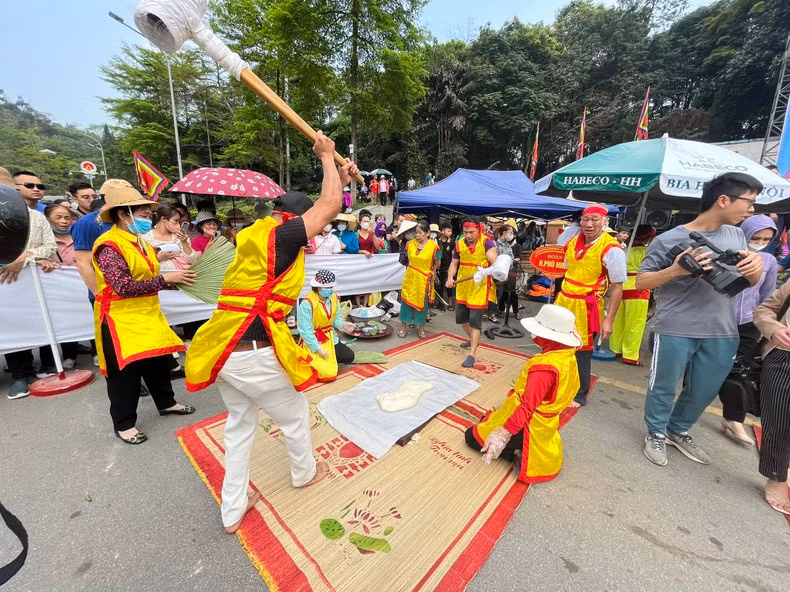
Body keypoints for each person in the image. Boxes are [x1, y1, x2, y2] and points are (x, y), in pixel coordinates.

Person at [185, 133, 358, 533]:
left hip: (223, 348)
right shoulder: (282, 235)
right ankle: (303, 475)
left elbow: (329, 200)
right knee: (295, 416)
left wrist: (341, 179)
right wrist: (327, 156)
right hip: (252, 348)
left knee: (240, 424)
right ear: (294, 220)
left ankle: (232, 510)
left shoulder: (253, 236)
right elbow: (328, 206)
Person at [635, 172, 764, 466]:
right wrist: (676, 271)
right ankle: (655, 432)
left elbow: (750, 282)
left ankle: (677, 430)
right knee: (664, 385)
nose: (752, 210)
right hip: (674, 326)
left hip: (722, 329)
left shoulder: (737, 234)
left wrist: (754, 268)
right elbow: (641, 282)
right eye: (749, 202)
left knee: (704, 389)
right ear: (723, 200)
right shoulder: (670, 239)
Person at [92, 180, 197, 444]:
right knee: (124, 373)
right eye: (143, 215)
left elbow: (150, 265)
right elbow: (123, 286)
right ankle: (124, 423)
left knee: (157, 362)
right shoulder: (109, 246)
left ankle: (166, 403)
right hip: (120, 317)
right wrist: (167, 279)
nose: (148, 220)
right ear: (123, 214)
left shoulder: (139, 241)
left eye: (149, 215)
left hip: (147, 312)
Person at [465, 305, 581, 482]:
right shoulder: (567, 354)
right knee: (487, 423)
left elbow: (527, 406)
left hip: (531, 424)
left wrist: (503, 435)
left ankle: (518, 451)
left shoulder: (545, 368)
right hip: (547, 421)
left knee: (471, 437)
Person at [554, 205, 625, 408]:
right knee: (556, 343)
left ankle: (580, 393)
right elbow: (566, 269)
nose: (589, 224)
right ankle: (557, 382)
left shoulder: (611, 249)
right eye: (585, 219)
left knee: (581, 350)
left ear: (605, 221)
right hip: (564, 299)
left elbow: (617, 286)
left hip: (587, 305)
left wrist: (608, 320)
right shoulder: (571, 242)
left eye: (594, 219)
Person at [718, 215, 778, 445]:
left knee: (739, 371)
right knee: (702, 367)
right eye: (756, 237)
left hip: (748, 324)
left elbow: (768, 296)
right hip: (718, 321)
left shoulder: (768, 261)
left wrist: (764, 324)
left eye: (766, 238)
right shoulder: (726, 253)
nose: (760, 242)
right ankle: (685, 414)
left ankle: (734, 420)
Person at [1, 178, 58, 399]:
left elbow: (49, 246)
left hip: (31, 279)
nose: (35, 189)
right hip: (4, 282)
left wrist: (24, 257)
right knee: (11, 326)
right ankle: (19, 376)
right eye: (28, 186)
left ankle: (46, 365)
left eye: (39, 186)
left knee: (38, 321)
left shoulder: (36, 217)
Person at [753, 279, 790, 515]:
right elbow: (764, 310)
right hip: (783, 358)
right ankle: (776, 476)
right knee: (778, 420)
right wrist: (774, 329)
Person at [445, 216, 497, 368]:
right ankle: (473, 339)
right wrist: (450, 277)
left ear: (479, 229)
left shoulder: (487, 242)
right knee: (461, 319)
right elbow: (454, 263)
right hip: (463, 286)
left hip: (479, 286)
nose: (468, 235)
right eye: (466, 232)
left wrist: (490, 266)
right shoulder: (459, 243)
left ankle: (472, 353)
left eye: (471, 232)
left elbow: (494, 260)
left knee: (475, 321)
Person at [609, 224, 656, 366]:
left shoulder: (623, 250)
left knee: (617, 321)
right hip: (638, 288)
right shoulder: (647, 252)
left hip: (620, 286)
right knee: (635, 323)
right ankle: (630, 354)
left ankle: (615, 348)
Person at [297, 270, 357, 381]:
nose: (331, 290)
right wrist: (317, 349)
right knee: (326, 373)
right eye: (328, 287)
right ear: (319, 287)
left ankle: (325, 358)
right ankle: (309, 357)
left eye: (331, 287)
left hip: (330, 337)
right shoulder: (307, 303)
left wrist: (344, 325)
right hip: (313, 339)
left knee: (349, 356)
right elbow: (305, 331)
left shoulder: (334, 298)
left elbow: (335, 319)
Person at [398, 220, 439, 339]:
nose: (417, 235)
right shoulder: (410, 244)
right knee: (406, 302)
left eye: (420, 233)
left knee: (422, 303)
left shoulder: (434, 247)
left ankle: (421, 327)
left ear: (428, 233)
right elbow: (405, 259)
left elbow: (437, 264)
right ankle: (403, 326)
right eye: (416, 232)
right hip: (410, 277)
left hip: (424, 279)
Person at [143, 204, 198, 271]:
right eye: (175, 221)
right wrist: (157, 258)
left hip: (180, 278)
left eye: (179, 221)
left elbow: (193, 260)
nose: (178, 224)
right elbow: (139, 261)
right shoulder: (145, 237)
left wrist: (184, 242)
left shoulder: (180, 237)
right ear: (163, 219)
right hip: (156, 278)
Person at [496, 220, 522, 320]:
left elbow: (517, 258)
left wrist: (508, 261)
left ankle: (516, 311)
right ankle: (501, 310)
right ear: (504, 233)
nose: (511, 234)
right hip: (501, 272)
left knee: (512, 292)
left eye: (512, 232)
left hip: (511, 271)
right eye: (510, 232)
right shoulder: (498, 244)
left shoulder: (515, 246)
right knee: (502, 292)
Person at [436, 222, 455, 311]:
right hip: (439, 266)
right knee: (439, 286)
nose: (450, 233)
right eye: (448, 231)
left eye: (451, 231)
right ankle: (441, 304)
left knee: (448, 285)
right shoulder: (437, 240)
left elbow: (453, 256)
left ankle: (450, 303)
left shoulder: (452, 242)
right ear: (442, 231)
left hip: (448, 266)